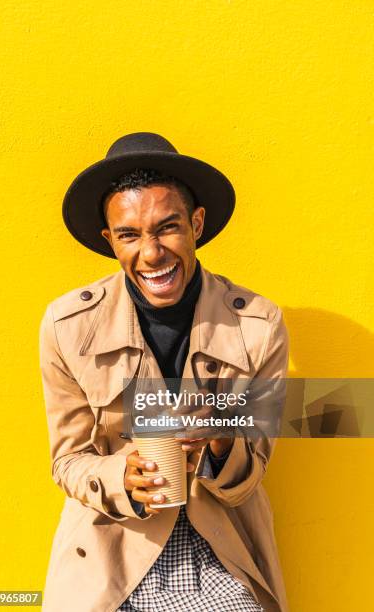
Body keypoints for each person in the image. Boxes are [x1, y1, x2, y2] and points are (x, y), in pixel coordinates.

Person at [39, 132, 290, 612]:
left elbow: (252, 470)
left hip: (222, 548)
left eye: (167, 227)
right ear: (109, 240)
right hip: (111, 552)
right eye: (129, 235)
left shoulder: (258, 326)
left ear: (196, 223)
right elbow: (66, 460)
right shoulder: (67, 326)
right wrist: (120, 476)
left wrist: (220, 436)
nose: (151, 253)